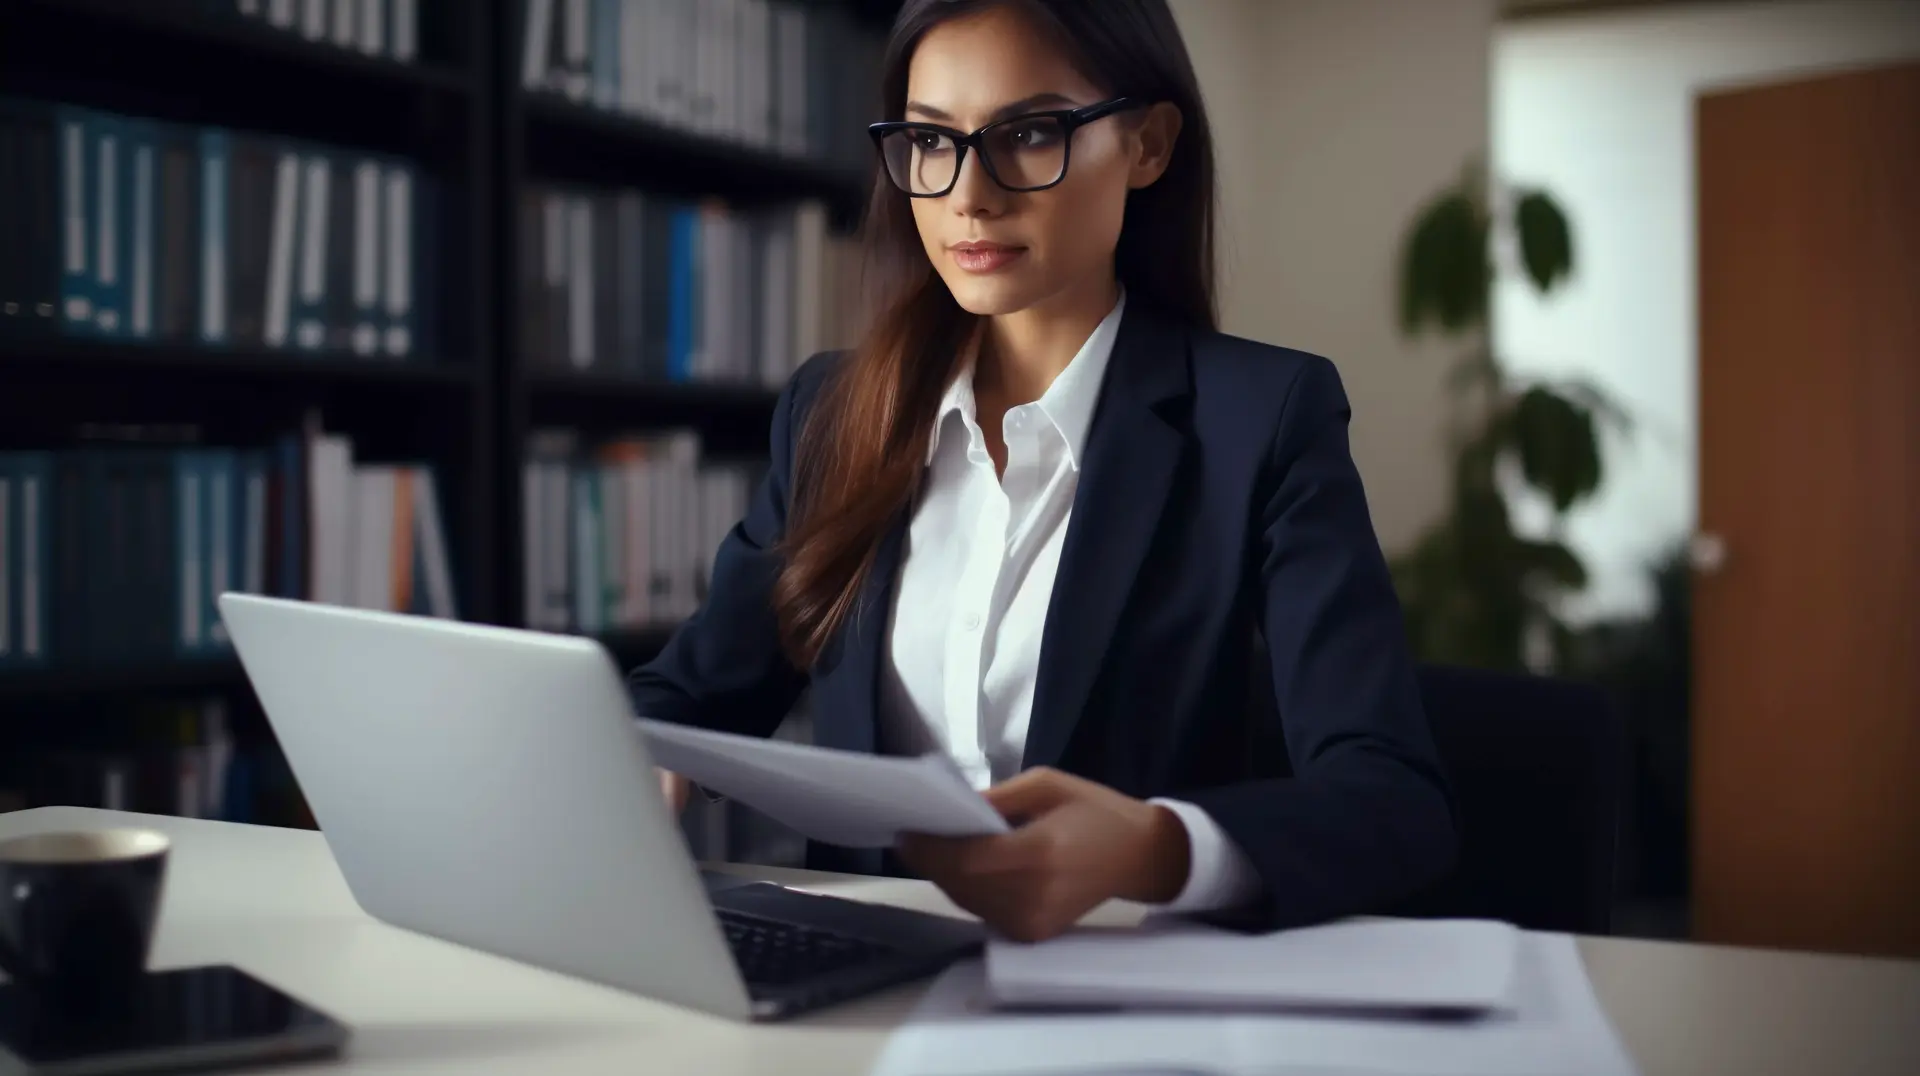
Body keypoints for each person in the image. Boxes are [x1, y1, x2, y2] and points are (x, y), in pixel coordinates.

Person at [630, 0, 1457, 944]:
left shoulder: (1263, 420)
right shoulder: (832, 416)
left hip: (1129, 988)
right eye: (931, 142)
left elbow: (1392, 798)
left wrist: (1153, 847)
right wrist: (641, 762)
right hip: (856, 993)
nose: (969, 196)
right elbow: (687, 697)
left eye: (1027, 133)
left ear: (1147, 146)